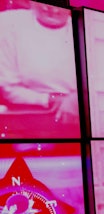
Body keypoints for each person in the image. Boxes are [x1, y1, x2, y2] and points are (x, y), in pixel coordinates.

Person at [0, 1, 79, 133]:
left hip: (79, 113)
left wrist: (77, 99)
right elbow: (9, 88)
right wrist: (49, 99)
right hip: (29, 115)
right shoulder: (9, 23)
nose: (53, 9)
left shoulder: (87, 27)